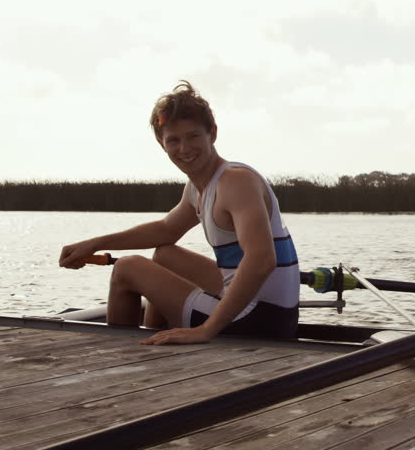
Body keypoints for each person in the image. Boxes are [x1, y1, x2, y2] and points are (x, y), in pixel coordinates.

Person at [59, 81, 300, 344]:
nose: (184, 149)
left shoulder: (235, 181)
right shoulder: (198, 188)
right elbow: (165, 230)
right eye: (173, 140)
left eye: (193, 136)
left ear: (213, 134)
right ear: (161, 143)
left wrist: (205, 330)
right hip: (265, 312)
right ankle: (156, 343)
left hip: (259, 322)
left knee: (128, 268)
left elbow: (262, 259)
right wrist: (94, 243)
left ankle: (127, 357)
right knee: (166, 254)